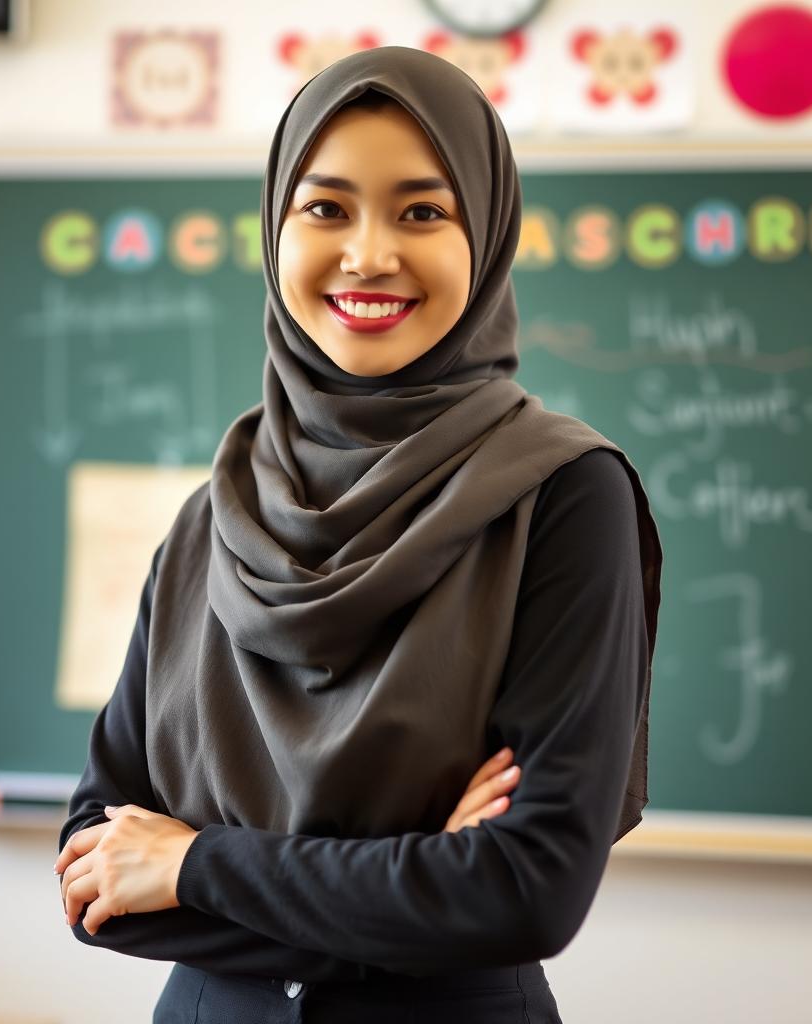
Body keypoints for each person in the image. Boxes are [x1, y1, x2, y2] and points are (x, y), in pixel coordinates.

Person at [54, 45, 663, 1023]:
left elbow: (524, 893)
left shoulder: (562, 494)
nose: (368, 253)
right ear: (275, 228)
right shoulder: (214, 514)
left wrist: (194, 863)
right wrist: (415, 883)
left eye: (421, 211)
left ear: (488, 232)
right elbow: (95, 876)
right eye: (326, 207)